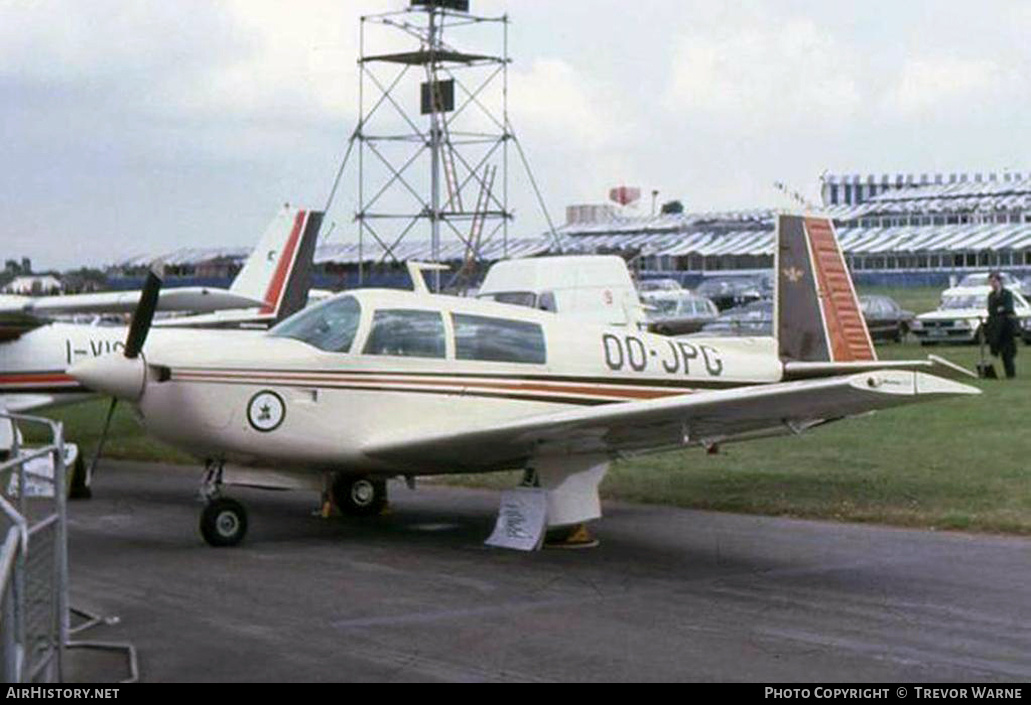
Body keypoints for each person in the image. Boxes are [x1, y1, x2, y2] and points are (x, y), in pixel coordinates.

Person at [985, 271, 1017, 379]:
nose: (992, 284)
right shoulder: (991, 296)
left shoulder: (1007, 294)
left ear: (999, 281)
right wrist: (1000, 309)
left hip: (1007, 327)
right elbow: (991, 310)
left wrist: (1000, 309)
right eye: (990, 282)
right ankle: (993, 373)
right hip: (995, 328)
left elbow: (1009, 308)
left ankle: (1010, 374)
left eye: (994, 281)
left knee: (1008, 353)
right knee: (995, 350)